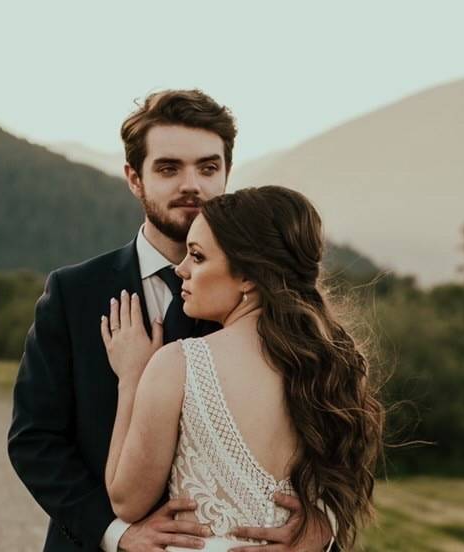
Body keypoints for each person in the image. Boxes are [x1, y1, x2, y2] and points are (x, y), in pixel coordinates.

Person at [8, 90, 337, 551]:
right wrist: (118, 533)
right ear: (133, 178)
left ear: (226, 173)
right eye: (168, 168)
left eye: (208, 168)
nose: (192, 185)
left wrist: (323, 526)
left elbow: (335, 430)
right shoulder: (74, 292)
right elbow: (34, 439)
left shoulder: (274, 302)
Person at [101, 186, 384, 551]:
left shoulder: (177, 364)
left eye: (198, 257)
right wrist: (322, 525)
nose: (180, 268)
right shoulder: (329, 367)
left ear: (248, 276)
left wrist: (131, 379)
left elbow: (127, 501)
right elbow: (336, 491)